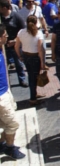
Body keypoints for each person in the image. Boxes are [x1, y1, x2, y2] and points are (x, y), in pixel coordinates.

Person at [0, 23, 26, 159]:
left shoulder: (1, 49)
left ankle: (2, 143)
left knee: (5, 122)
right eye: (5, 35)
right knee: (13, 123)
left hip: (5, 92)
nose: (7, 37)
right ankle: (9, 148)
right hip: (1, 96)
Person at [15, 16, 45, 106]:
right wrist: (42, 62)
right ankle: (33, 99)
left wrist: (19, 56)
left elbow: (16, 46)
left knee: (31, 76)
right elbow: (40, 49)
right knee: (33, 78)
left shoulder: (21, 32)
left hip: (26, 56)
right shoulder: (39, 33)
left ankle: (34, 94)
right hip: (35, 57)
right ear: (36, 23)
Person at [0, 0, 27, 87]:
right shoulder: (0, 17)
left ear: (4, 8)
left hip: (15, 45)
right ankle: (6, 82)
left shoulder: (16, 16)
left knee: (19, 63)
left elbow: (23, 30)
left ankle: (22, 80)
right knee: (4, 64)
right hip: (3, 45)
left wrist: (15, 40)